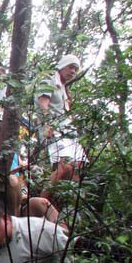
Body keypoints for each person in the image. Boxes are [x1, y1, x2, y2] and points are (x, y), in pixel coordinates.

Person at [0, 121, 61, 224]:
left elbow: (25, 167)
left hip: (22, 201)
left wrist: (34, 170)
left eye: (0, 136)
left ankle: (66, 234)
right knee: (12, 180)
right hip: (1, 202)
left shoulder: (14, 156)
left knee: (42, 203)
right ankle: (15, 226)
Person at [37, 54, 87, 184]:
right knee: (62, 167)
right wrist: (47, 125)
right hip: (54, 129)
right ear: (63, 65)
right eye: (71, 67)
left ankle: (64, 200)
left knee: (77, 167)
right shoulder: (49, 80)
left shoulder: (64, 87)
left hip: (68, 131)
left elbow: (66, 112)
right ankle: (40, 202)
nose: (73, 72)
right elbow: (42, 103)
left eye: (76, 69)